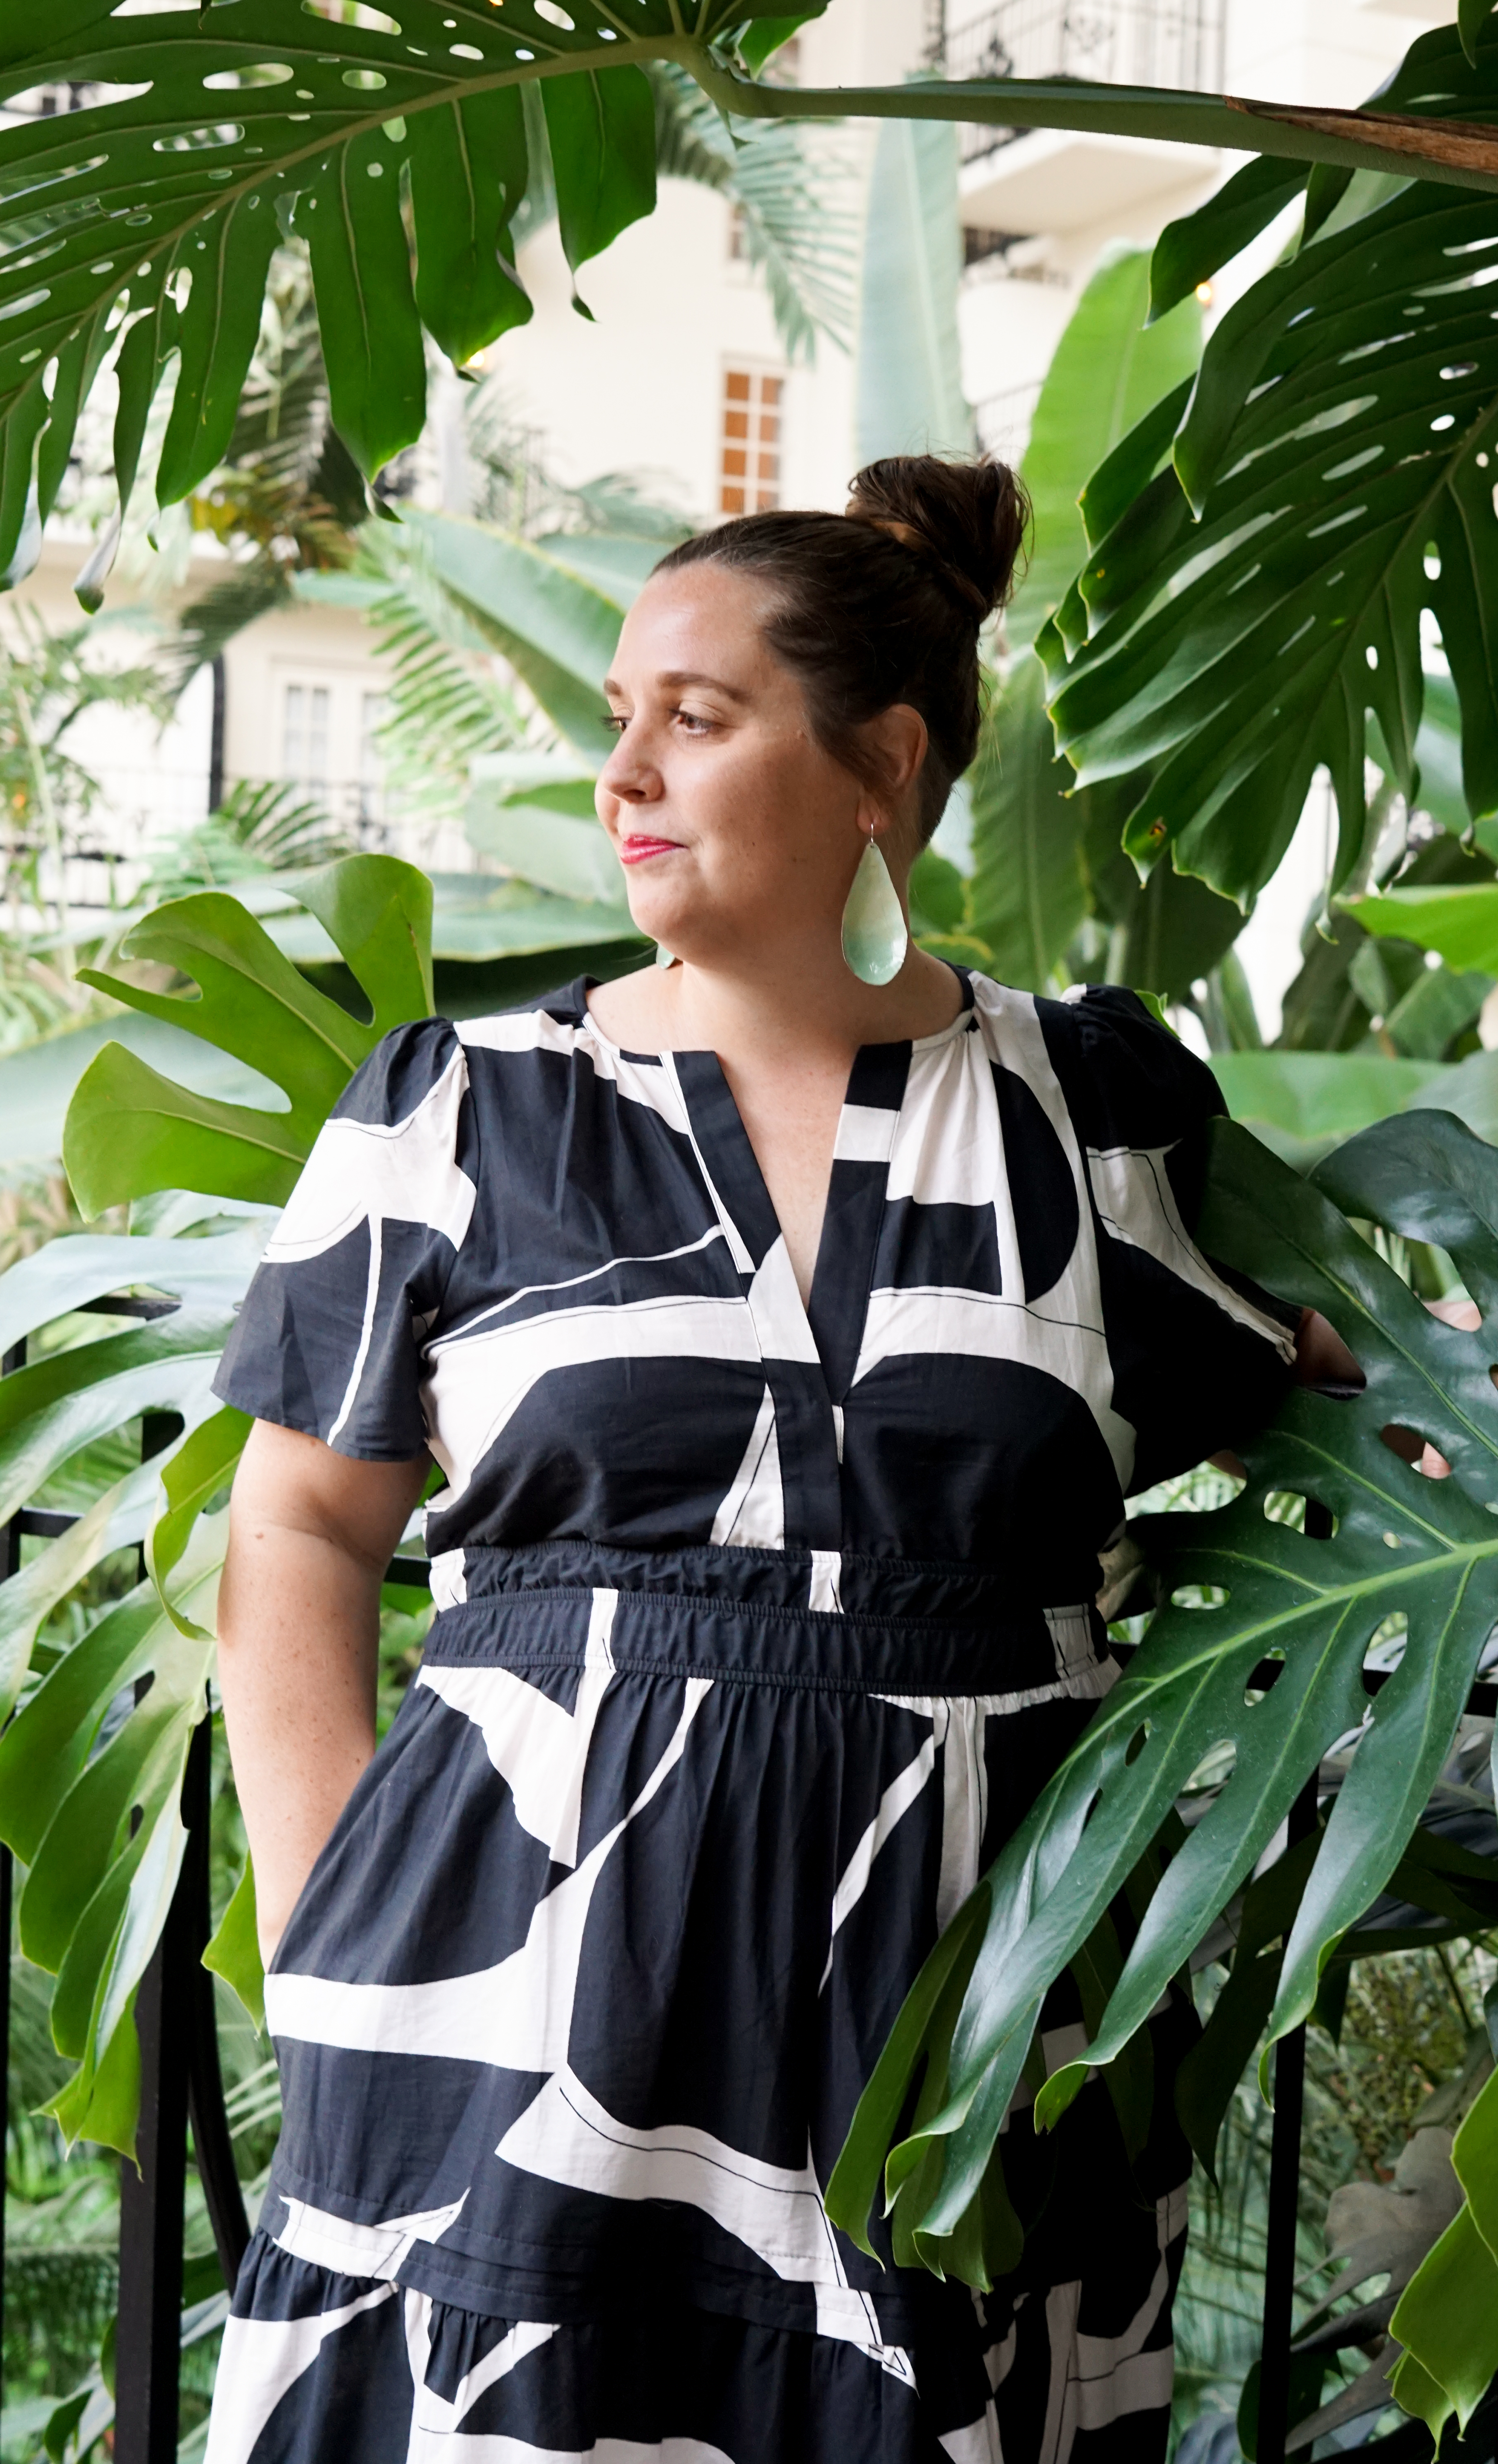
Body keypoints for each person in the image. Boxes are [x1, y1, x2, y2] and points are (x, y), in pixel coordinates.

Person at [205, 457, 1312, 2463]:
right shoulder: (467, 1110)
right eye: (622, 710)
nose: (622, 766)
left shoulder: (1091, 1111)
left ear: (880, 765)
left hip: (965, 2026)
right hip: (511, 1994)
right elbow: (296, 1516)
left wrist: (1472, 1382)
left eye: (693, 719)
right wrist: (336, 1929)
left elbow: (1331, 1368)